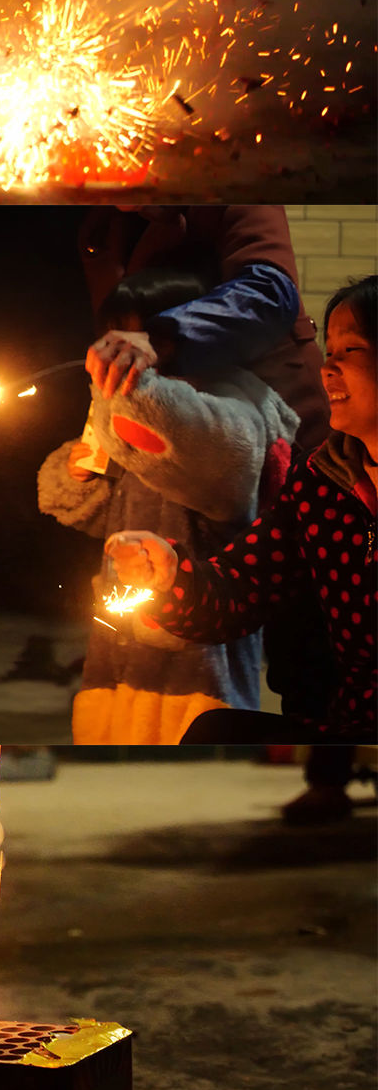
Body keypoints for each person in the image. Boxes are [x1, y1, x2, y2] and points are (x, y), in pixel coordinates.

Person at [78, 205, 335, 726]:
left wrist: (164, 340)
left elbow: (269, 291)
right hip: (161, 477)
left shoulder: (230, 195)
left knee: (308, 649)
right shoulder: (98, 230)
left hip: (266, 445)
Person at [105, 277, 376, 743]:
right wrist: (172, 576)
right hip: (350, 725)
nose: (327, 369)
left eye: (349, 351)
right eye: (328, 352)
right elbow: (242, 587)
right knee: (215, 730)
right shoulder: (322, 483)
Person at [36, 268, 293, 743]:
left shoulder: (223, 403)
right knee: (116, 721)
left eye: (141, 336)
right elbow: (100, 514)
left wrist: (140, 400)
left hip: (200, 631)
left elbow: (205, 450)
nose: (125, 351)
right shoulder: (117, 405)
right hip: (122, 633)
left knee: (193, 723)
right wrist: (79, 476)